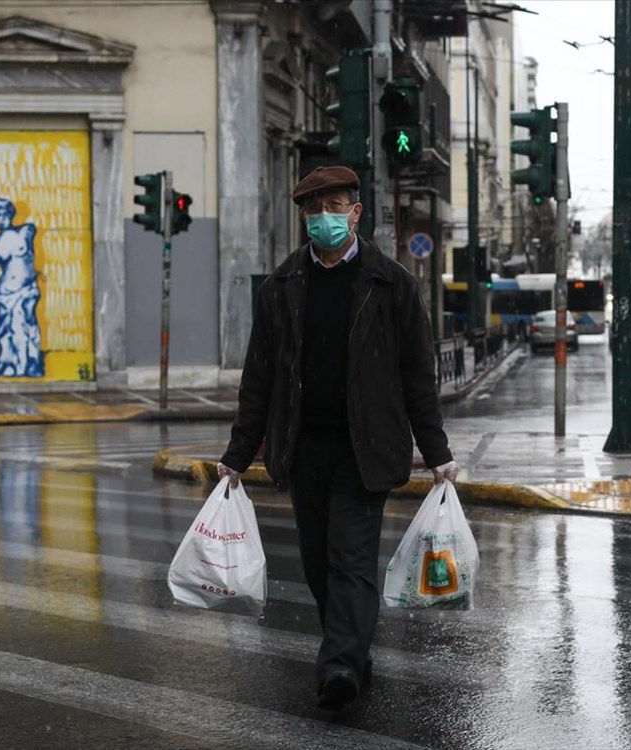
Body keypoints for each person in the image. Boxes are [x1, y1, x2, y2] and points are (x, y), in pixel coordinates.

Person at [216, 166, 458, 711]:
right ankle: (352, 650)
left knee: (350, 557)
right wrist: (237, 454)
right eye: (312, 208)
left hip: (364, 447)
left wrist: (437, 452)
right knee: (318, 563)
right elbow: (260, 377)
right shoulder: (282, 286)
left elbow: (417, 376)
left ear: (355, 212)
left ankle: (340, 665)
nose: (322, 217)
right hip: (304, 448)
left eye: (333, 206)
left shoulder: (392, 284)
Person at [0, 197, 44, 378]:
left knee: (29, 324)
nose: (1, 219)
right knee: (6, 329)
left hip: (26, 289)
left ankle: (32, 361)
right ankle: (8, 362)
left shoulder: (26, 231)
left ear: (11, 214)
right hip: (5, 292)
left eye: (4, 214)